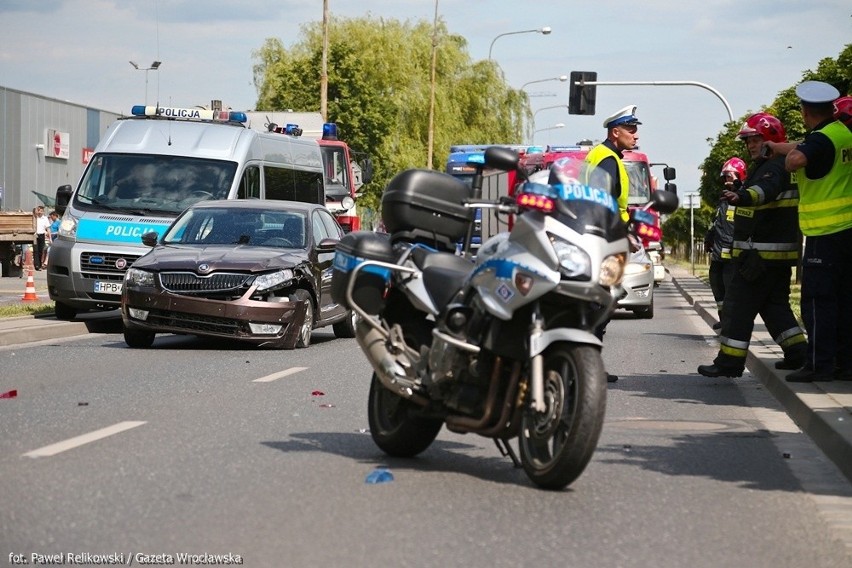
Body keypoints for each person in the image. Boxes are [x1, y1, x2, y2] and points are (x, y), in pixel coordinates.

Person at [697, 112, 807, 378]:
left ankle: (729, 363)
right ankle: (799, 354)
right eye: (748, 141)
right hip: (773, 255)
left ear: (770, 138)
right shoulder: (779, 165)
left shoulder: (773, 167)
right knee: (774, 306)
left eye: (755, 140)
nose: (750, 145)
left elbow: (763, 192)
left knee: (737, 308)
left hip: (760, 254)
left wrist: (741, 195)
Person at [765, 82, 852, 382]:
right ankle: (844, 364)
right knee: (844, 301)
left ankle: (818, 365)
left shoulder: (819, 141)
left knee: (818, 302)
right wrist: (780, 147)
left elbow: (797, 159)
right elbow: (807, 146)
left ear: (804, 112)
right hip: (847, 232)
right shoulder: (842, 134)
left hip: (824, 233)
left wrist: (786, 155)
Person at [585, 105, 642, 383]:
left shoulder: (603, 155)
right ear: (615, 131)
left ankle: (587, 364)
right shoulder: (607, 159)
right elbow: (604, 203)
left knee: (596, 303)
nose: (636, 135)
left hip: (600, 239)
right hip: (606, 241)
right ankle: (589, 367)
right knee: (601, 305)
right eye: (631, 130)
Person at [704, 157, 744, 330]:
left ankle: (731, 324)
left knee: (730, 292)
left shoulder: (743, 198)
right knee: (718, 289)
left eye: (731, 176)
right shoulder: (723, 200)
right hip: (718, 253)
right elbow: (717, 223)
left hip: (733, 255)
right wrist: (709, 238)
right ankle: (723, 319)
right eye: (725, 177)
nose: (727, 180)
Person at [33, 205, 50, 270]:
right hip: (35, 235)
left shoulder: (45, 218)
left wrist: (49, 236)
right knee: (35, 250)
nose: (40, 212)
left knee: (40, 251)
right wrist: (36, 209)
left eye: (42, 211)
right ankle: (36, 265)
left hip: (42, 235)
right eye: (39, 211)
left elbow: (48, 228)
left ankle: (40, 264)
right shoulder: (35, 217)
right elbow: (34, 212)